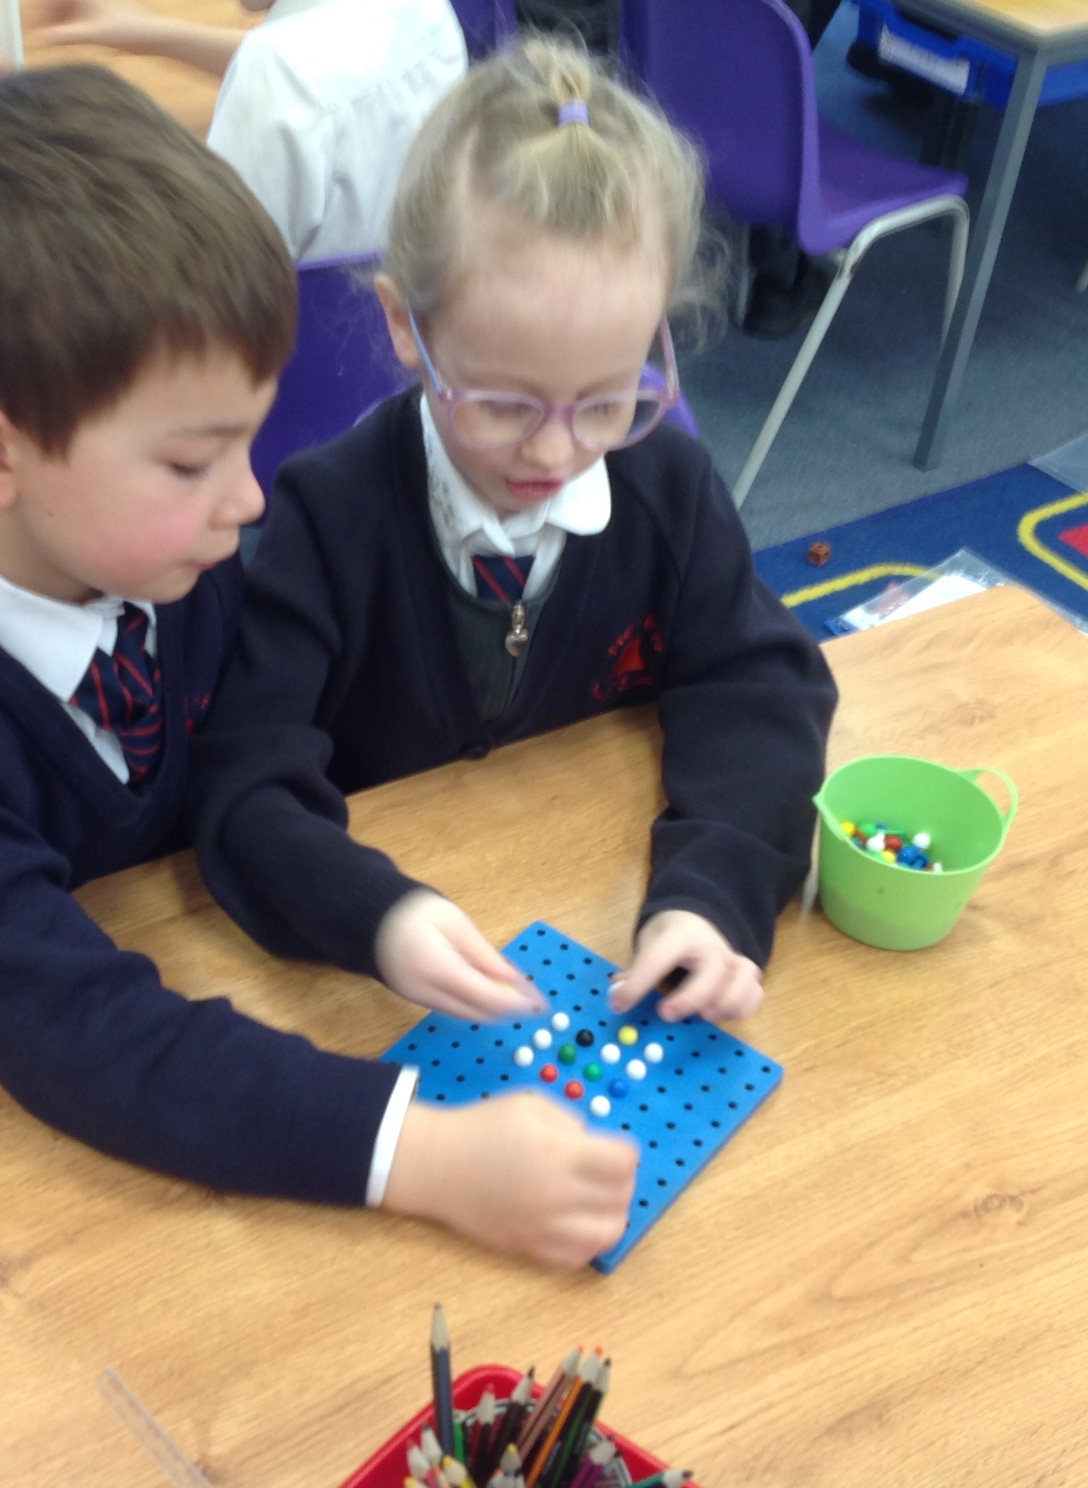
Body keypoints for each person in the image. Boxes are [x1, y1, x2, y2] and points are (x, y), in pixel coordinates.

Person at [0, 65, 635, 1271]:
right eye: (194, 462)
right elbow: (81, 1039)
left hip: (91, 992)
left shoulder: (162, 562)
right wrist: (419, 1155)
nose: (248, 500)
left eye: (247, 442)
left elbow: (241, 767)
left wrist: (367, 914)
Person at [191, 42, 837, 1033]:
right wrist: (375, 914)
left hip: (584, 900)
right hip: (377, 984)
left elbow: (760, 688)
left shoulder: (667, 490)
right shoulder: (327, 518)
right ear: (405, 327)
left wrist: (713, 893)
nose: (555, 452)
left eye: (607, 401)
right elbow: (243, 782)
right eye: (501, 404)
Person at [32, 0, 466, 259]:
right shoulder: (429, 13)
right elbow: (321, 73)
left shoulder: (276, 75)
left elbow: (205, 278)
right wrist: (148, 31)